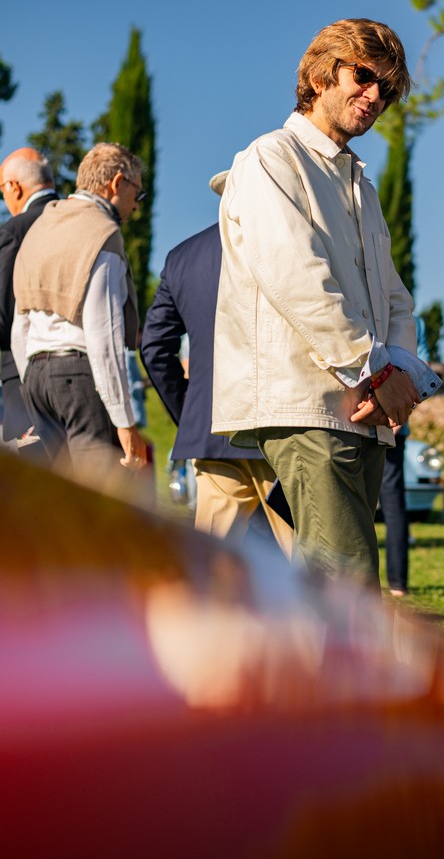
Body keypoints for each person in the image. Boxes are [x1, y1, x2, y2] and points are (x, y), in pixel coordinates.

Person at [213, 19, 419, 584]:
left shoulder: (359, 183)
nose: (376, 95)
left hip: (365, 410)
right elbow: (299, 282)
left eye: (389, 88)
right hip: (310, 405)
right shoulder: (270, 159)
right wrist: (378, 374)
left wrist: (398, 377)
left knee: (330, 586)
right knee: (345, 585)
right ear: (321, 72)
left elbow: (394, 296)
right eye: (364, 75)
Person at [141, 208, 293, 556]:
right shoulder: (290, 245)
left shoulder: (183, 256)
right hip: (282, 431)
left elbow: (153, 347)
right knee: (306, 565)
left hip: (213, 435)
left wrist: (190, 413)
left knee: (204, 569)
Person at [11, 142, 148, 479]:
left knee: (62, 498)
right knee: (97, 497)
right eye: (137, 194)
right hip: (79, 378)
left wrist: (31, 379)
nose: (136, 207)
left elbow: (20, 324)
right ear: (117, 184)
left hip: (36, 379)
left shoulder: (43, 226)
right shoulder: (102, 234)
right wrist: (124, 422)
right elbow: (105, 334)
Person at [0, 148, 57, 448]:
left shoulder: (14, 231)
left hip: (24, 388)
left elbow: (1, 318)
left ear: (14, 186)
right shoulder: (85, 224)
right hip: (84, 383)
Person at [379, 314, 430, 596]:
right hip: (396, 423)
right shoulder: (412, 320)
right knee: (393, 504)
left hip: (360, 418)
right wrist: (402, 408)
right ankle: (397, 584)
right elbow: (419, 365)